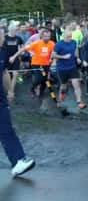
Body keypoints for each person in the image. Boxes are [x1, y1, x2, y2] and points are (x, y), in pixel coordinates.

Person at [0, 30, 35, 177]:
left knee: (7, 129)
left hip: (1, 100)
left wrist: (10, 91)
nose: (3, 38)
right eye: (0, 36)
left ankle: (19, 161)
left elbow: (4, 72)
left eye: (2, 35)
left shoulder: (2, 51)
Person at [10, 29, 55, 98]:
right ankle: (32, 88)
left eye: (48, 36)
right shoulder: (36, 43)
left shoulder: (52, 44)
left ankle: (41, 93)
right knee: (38, 78)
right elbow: (23, 49)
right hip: (36, 63)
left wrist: (52, 59)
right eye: (45, 36)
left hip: (46, 64)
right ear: (41, 37)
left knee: (45, 80)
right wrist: (14, 56)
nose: (47, 38)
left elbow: (53, 53)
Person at [53, 28, 87, 109]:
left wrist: (78, 58)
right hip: (62, 68)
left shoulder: (73, 42)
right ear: (63, 36)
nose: (70, 38)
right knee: (63, 85)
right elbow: (53, 55)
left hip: (72, 67)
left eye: (70, 36)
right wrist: (63, 56)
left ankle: (79, 102)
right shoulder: (59, 44)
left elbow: (76, 51)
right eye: (68, 37)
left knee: (76, 84)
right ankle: (61, 98)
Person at [4, 25, 23, 101]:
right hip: (6, 59)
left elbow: (22, 48)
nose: (14, 32)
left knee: (15, 74)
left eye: (15, 30)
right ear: (9, 30)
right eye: (13, 30)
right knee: (7, 75)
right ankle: (8, 91)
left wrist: (15, 56)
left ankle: (11, 92)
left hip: (15, 58)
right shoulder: (5, 38)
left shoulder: (18, 38)